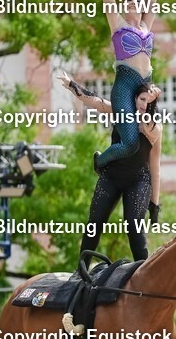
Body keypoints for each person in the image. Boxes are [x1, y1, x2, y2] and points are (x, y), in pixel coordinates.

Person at [59, 70, 162, 261]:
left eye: (148, 101)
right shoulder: (121, 112)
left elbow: (155, 168)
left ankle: (142, 273)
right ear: (134, 98)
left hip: (138, 180)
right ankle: (81, 271)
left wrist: (154, 204)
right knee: (94, 223)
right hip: (112, 176)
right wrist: (72, 85)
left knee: (134, 227)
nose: (143, 104)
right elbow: (96, 102)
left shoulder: (154, 126)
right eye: (141, 99)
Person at [94, 0, 157, 171]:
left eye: (135, 1)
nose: (131, 2)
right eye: (128, 0)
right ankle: (100, 160)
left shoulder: (146, 25)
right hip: (125, 83)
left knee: (148, 137)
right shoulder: (118, 24)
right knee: (130, 143)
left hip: (145, 84)